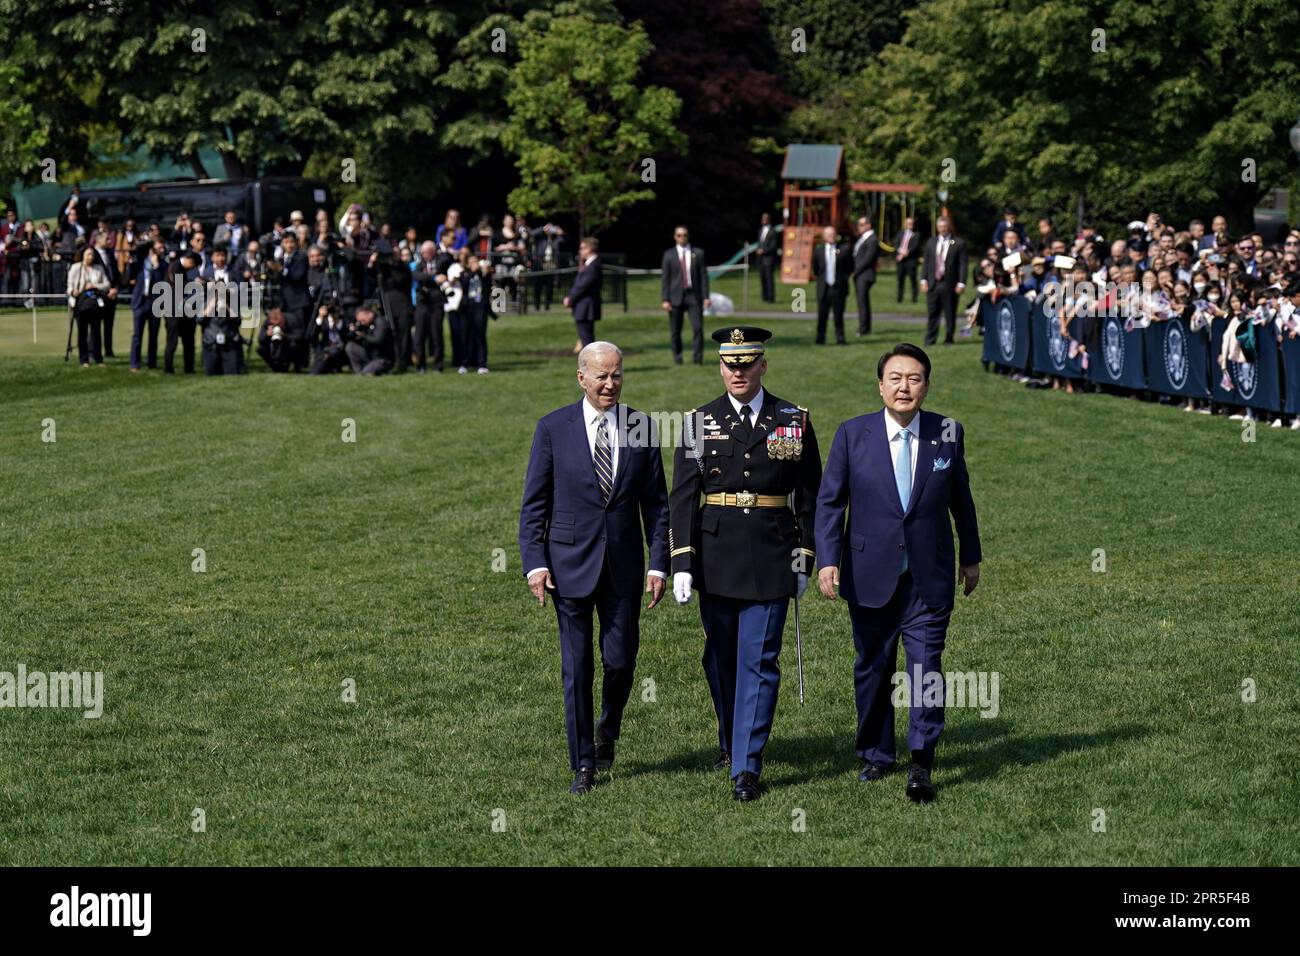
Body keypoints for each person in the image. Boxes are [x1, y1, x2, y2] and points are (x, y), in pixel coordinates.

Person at [814, 343, 981, 803]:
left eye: (914, 379)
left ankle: (921, 762)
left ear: (926, 385)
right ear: (880, 385)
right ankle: (875, 752)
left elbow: (960, 498)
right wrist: (827, 559)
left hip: (929, 576)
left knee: (925, 667)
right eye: (896, 378)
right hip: (868, 573)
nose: (904, 387)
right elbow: (830, 502)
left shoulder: (947, 432)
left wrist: (971, 555)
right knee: (872, 667)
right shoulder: (852, 434)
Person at [669, 326, 822, 801]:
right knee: (720, 658)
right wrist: (681, 563)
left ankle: (747, 767)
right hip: (715, 555)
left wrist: (806, 556)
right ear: (720, 367)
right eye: (729, 364)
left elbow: (812, 495)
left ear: (762, 366)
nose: (738, 372)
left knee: (760, 660)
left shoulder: (792, 418)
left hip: (773, 553)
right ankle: (729, 740)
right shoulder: (698, 421)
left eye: (747, 363)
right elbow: (681, 498)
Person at [519, 341, 669, 794]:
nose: (610, 384)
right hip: (568, 566)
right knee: (577, 665)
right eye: (601, 376)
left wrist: (659, 564)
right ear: (581, 377)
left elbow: (657, 506)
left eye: (617, 375)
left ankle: (609, 727)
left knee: (620, 661)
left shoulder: (641, 426)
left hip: (623, 567)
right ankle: (583, 762)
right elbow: (534, 505)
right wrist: (535, 564)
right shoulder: (552, 428)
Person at [660, 225, 710, 364]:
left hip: (694, 296)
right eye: (679, 235)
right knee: (675, 331)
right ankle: (678, 357)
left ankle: (698, 358)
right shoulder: (669, 255)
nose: (682, 238)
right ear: (675, 237)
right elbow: (666, 278)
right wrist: (665, 299)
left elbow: (703, 276)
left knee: (698, 328)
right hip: (675, 297)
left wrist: (706, 296)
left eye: (685, 235)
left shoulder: (698, 253)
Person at [921, 216, 968, 345]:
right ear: (937, 228)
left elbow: (963, 264)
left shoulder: (958, 243)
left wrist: (961, 282)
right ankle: (930, 339)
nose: (942, 229)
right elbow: (926, 263)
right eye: (940, 227)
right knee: (932, 313)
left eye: (945, 227)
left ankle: (948, 338)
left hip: (950, 283)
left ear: (949, 227)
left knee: (950, 313)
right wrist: (923, 280)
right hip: (933, 283)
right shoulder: (931, 242)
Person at [66, 247, 110, 368]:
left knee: (96, 332)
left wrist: (94, 285)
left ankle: (98, 358)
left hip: (95, 304)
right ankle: (84, 359)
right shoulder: (76, 268)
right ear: (83, 255)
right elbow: (69, 286)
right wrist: (73, 291)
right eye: (88, 254)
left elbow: (106, 284)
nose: (90, 257)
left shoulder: (99, 269)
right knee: (82, 332)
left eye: (92, 254)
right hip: (80, 304)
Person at [164, 250, 201, 374]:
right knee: (172, 341)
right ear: (190, 260)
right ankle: (168, 368)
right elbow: (177, 286)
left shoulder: (178, 268)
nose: (193, 268)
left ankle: (188, 367)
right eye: (194, 265)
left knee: (187, 340)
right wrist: (194, 283)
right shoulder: (175, 267)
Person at [812, 225, 850, 345]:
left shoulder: (844, 249)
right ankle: (820, 338)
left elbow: (849, 267)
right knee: (822, 316)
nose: (831, 237)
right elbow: (816, 269)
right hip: (824, 287)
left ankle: (840, 338)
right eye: (828, 234)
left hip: (838, 288)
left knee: (838, 315)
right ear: (824, 237)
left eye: (833, 234)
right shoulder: (819, 250)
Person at [565, 236, 602, 348]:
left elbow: (582, 285)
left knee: (587, 340)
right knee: (586, 337)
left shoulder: (593, 265)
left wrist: (571, 298)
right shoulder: (589, 264)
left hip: (585, 306)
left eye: (582, 248)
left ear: (589, 249)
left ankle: (590, 363)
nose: (580, 251)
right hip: (583, 306)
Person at [344, 306, 393, 376]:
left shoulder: (381, 322)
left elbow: (378, 340)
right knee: (350, 347)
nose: (362, 323)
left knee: (368, 371)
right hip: (370, 355)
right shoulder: (367, 324)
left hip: (382, 358)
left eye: (362, 320)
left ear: (370, 314)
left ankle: (365, 372)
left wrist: (363, 336)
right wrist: (354, 331)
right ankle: (359, 371)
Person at [852, 215, 880, 336]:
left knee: (862, 302)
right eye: (859, 224)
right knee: (862, 302)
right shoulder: (863, 238)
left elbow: (867, 259)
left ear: (869, 225)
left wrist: (854, 270)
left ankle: (864, 329)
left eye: (862, 224)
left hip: (865, 275)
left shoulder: (872, 239)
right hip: (860, 274)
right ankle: (865, 327)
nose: (859, 227)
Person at [894, 216, 921, 303]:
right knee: (900, 280)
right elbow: (896, 244)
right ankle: (899, 299)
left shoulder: (917, 234)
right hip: (901, 262)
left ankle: (914, 299)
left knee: (913, 280)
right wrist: (900, 253)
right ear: (905, 224)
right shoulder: (900, 233)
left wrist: (904, 254)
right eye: (908, 223)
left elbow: (914, 247)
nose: (910, 225)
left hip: (911, 261)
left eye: (911, 223)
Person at [755, 212, 779, 303]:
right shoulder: (760, 230)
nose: (763, 220)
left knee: (769, 279)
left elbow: (773, 246)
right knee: (762, 278)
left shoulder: (773, 231)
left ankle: (770, 298)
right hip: (761, 260)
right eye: (762, 218)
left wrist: (763, 250)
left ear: (768, 220)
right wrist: (758, 250)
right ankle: (764, 297)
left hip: (769, 259)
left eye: (765, 219)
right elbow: (759, 243)